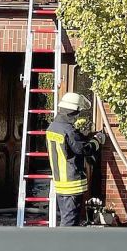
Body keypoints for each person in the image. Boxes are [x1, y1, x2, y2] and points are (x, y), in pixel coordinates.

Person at [45, 92, 104, 226]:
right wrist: (97, 140)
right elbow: (84, 150)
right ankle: (64, 245)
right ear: (73, 112)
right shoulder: (69, 131)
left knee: (67, 218)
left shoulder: (52, 128)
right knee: (70, 222)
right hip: (72, 185)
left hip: (60, 183)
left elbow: (67, 148)